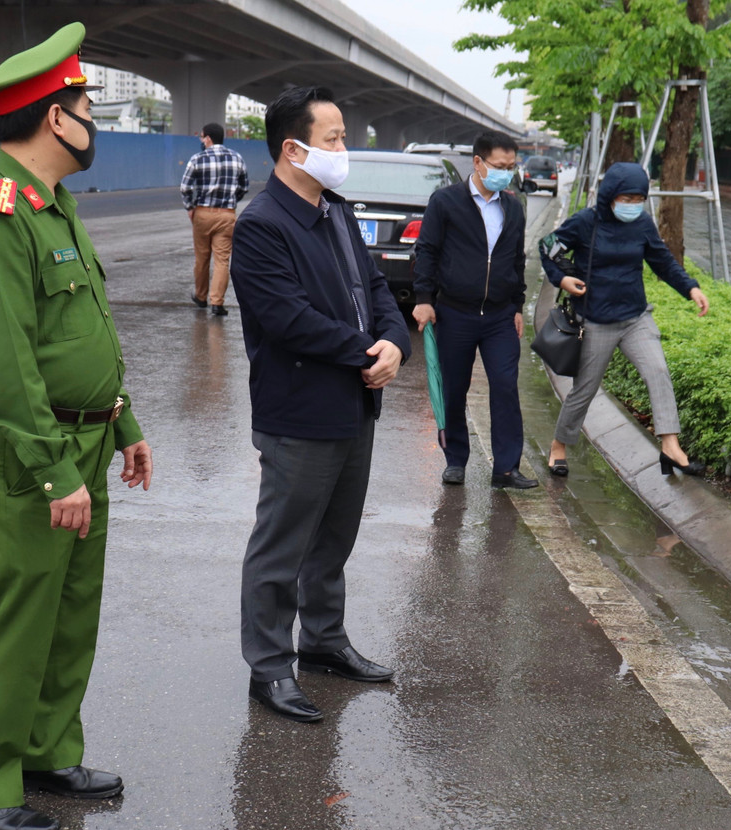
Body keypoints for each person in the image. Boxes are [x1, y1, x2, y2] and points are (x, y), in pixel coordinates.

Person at [0, 23, 153, 830]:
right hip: (26, 455)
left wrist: (122, 423)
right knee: (21, 614)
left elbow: (83, 333)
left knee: (70, 611)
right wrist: (55, 472)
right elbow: (8, 368)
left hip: (85, 443)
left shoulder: (53, 206)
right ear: (52, 118)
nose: (93, 120)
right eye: (86, 106)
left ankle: (44, 749)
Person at [230, 86, 411, 723]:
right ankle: (271, 666)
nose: (344, 150)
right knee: (282, 545)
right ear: (292, 148)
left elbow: (376, 289)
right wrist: (369, 353)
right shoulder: (261, 225)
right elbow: (288, 320)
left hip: (353, 406)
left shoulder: (334, 209)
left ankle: (325, 641)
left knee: (334, 538)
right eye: (333, 138)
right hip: (300, 411)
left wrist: (395, 342)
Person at [539, 162, 709, 478]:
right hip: (596, 320)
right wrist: (562, 280)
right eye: (625, 199)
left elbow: (662, 262)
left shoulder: (642, 224)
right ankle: (559, 446)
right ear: (610, 196)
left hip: (635, 317)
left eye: (637, 199)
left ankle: (671, 447)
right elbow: (547, 248)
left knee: (658, 371)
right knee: (585, 390)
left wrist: (691, 288)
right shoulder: (585, 222)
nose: (632, 205)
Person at [412, 130, 533, 489]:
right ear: (478, 162)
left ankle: (506, 468)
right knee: (453, 388)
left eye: (511, 167)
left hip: (498, 315)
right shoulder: (445, 202)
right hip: (455, 313)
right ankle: (455, 460)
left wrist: (517, 305)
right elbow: (427, 251)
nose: (505, 173)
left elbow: (516, 259)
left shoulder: (513, 206)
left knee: (505, 385)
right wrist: (423, 299)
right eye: (499, 166)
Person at [181, 121, 249, 316]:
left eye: (202, 137)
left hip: (202, 213)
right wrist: (231, 202)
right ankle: (217, 302)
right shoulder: (237, 158)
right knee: (222, 260)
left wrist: (190, 207)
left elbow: (185, 188)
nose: (201, 140)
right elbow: (244, 186)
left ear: (208, 138)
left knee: (202, 258)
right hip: (226, 215)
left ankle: (201, 297)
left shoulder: (197, 158)